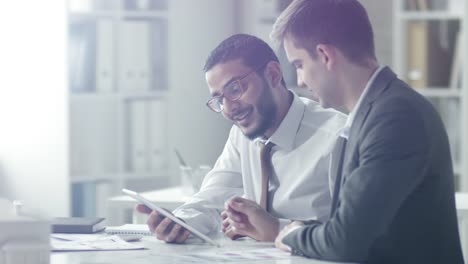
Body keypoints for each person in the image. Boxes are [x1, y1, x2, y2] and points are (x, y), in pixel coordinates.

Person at [240, 0, 464, 262]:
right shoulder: (373, 111)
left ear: (325, 55)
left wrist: (289, 235)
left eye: (299, 64)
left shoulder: (395, 117)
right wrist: (284, 229)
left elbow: (344, 240)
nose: (300, 80)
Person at [136, 33, 346, 243]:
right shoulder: (242, 134)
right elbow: (214, 197)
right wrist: (181, 222)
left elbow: (356, 233)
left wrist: (278, 230)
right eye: (219, 99)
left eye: (235, 89)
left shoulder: (338, 138)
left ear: (273, 75)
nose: (228, 108)